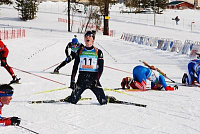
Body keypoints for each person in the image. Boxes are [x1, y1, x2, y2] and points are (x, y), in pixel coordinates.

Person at [65, 31, 107, 105]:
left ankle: (106, 97)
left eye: (90, 36)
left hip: (93, 79)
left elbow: (101, 68)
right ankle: (76, 96)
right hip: (82, 79)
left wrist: (97, 79)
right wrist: (72, 81)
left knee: (103, 102)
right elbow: (75, 67)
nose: (88, 37)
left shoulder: (98, 52)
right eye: (86, 36)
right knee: (72, 101)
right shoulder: (80, 51)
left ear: (93, 39)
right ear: (84, 39)